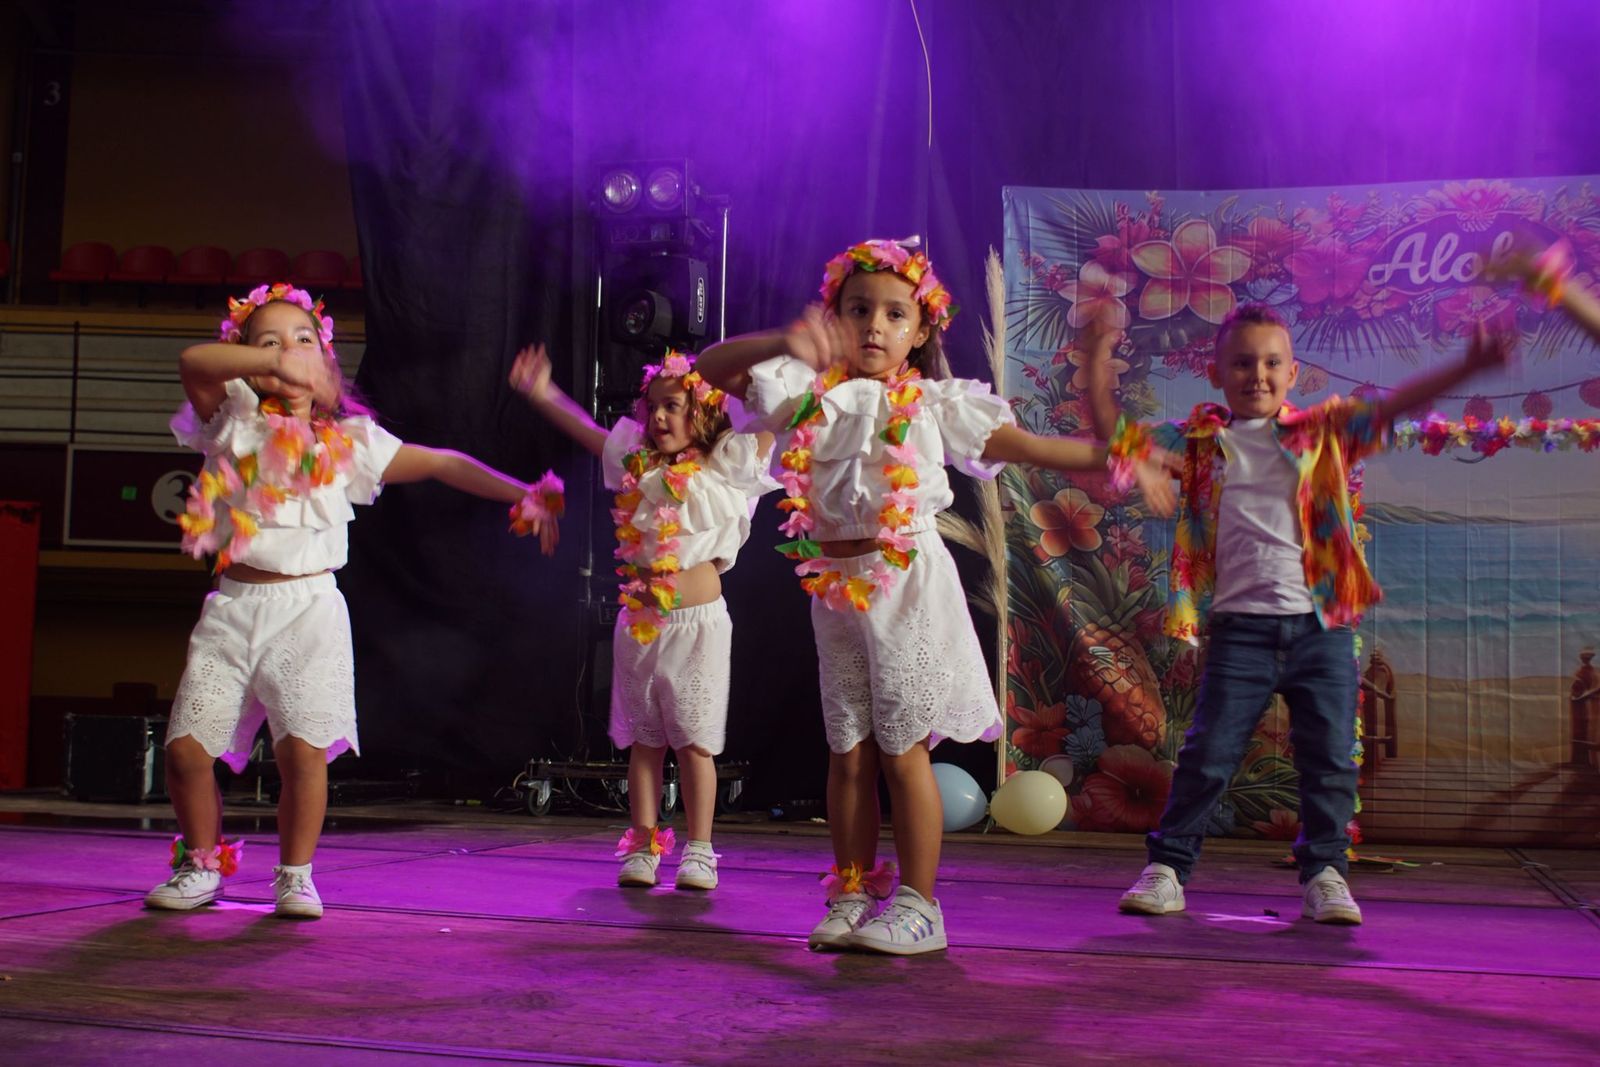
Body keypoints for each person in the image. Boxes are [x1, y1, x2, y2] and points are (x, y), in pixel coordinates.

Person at [698, 237, 1174, 954]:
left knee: (901, 749)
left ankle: (920, 905)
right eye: (859, 310)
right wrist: (780, 341)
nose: (875, 327)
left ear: (920, 331)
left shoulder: (932, 404)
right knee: (846, 750)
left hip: (907, 585)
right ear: (835, 317)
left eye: (896, 314)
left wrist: (1117, 457)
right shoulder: (805, 397)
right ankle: (853, 889)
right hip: (833, 589)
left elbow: (1031, 448)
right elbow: (710, 369)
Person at [146, 283, 561, 919]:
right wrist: (268, 365)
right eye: (269, 341)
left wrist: (521, 494)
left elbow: (443, 463)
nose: (289, 352)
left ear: (328, 362)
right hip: (233, 608)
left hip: (309, 611)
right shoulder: (230, 417)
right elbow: (193, 362)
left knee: (303, 753)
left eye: (304, 340)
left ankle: (295, 874)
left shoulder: (351, 443)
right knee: (184, 751)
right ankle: (201, 864)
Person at [1101, 302, 1508, 925]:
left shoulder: (1324, 432)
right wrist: (1097, 364)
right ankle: (1167, 868)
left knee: (1329, 757)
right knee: (1208, 754)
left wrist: (1469, 364)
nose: (1256, 375)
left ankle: (1324, 872)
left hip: (1322, 629)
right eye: (1241, 362)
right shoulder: (1197, 440)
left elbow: (1396, 406)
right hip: (1241, 629)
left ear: (1293, 374)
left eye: (1271, 363)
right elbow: (1115, 436)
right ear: (1216, 372)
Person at [511, 344, 775, 890]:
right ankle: (644, 843)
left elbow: (773, 422)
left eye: (673, 405)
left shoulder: (725, 464)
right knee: (644, 742)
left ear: (700, 411)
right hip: (640, 622)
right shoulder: (636, 462)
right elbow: (588, 431)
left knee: (695, 740)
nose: (658, 417)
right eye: (652, 407)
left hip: (699, 624)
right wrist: (544, 393)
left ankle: (700, 849)